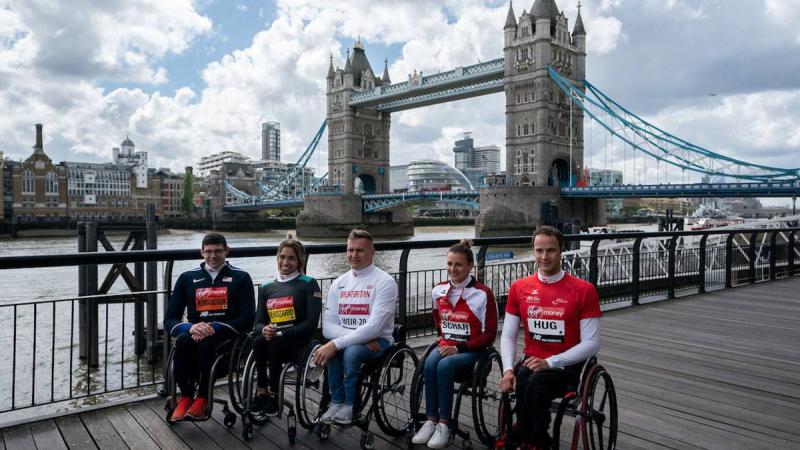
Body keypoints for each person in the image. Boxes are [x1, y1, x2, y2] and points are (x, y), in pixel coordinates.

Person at [499, 226, 601, 449]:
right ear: (533, 251)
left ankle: (536, 439)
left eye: (551, 250)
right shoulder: (519, 288)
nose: (544, 257)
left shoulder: (584, 290)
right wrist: (507, 369)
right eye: (539, 250)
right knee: (522, 376)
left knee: (535, 382)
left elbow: (592, 343)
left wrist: (550, 362)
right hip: (533, 361)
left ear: (561, 251)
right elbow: (508, 334)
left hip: (569, 367)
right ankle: (531, 435)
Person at [412, 240, 498, 449]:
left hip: (473, 351)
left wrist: (459, 347)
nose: (453, 269)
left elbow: (490, 335)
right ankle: (431, 420)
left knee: (444, 365)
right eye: (449, 264)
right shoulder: (438, 290)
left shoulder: (482, 293)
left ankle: (444, 424)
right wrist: (443, 336)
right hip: (446, 345)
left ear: (470, 266)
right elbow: (437, 318)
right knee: (429, 364)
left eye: (458, 264)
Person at [164, 233, 255, 422]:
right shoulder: (187, 278)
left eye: (218, 251)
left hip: (226, 337)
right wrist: (189, 328)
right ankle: (186, 396)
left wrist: (215, 326)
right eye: (209, 252)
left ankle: (204, 397)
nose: (213, 256)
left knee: (206, 343)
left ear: (226, 251)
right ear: (202, 253)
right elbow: (169, 320)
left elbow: (248, 319)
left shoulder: (241, 277)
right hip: (194, 334)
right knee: (181, 341)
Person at [312, 229, 397, 425]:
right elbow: (328, 326)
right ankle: (336, 402)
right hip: (367, 340)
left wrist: (338, 342)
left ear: (372, 252)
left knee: (349, 352)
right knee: (338, 348)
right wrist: (357, 337)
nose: (353, 255)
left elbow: (375, 327)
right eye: (350, 250)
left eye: (360, 250)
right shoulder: (339, 283)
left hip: (381, 341)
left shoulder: (385, 281)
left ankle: (350, 405)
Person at [251, 235, 322, 416]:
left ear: (299, 260)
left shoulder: (308, 284)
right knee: (258, 341)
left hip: (298, 342)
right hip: (272, 339)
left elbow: (311, 322)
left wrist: (283, 333)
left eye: (291, 258)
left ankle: (275, 394)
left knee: (275, 342)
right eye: (282, 257)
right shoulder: (266, 287)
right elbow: (257, 323)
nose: (285, 262)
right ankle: (262, 391)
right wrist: (264, 329)